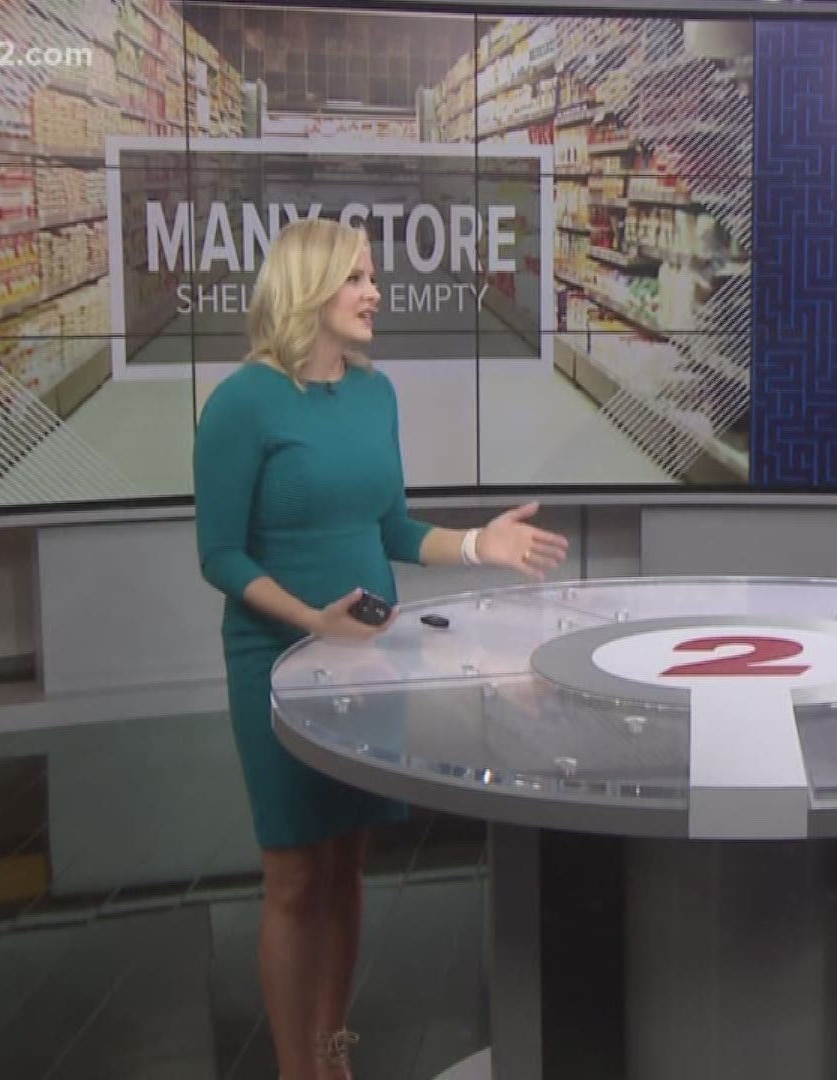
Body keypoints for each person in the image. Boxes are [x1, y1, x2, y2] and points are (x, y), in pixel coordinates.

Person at [193, 217, 569, 1080]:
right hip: (278, 664)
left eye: (372, 277)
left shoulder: (374, 393)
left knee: (347, 865)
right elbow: (220, 555)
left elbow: (392, 525)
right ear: (308, 289)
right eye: (356, 278)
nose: (374, 293)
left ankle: (334, 1050)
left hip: (368, 659)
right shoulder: (242, 404)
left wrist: (480, 544)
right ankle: (298, 1069)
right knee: (294, 875)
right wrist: (312, 621)